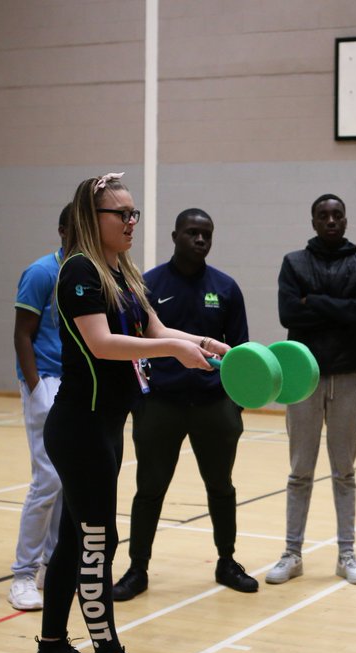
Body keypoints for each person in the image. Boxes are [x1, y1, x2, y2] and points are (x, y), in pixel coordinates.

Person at [33, 173, 229, 653]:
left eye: (134, 213)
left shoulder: (123, 269)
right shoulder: (80, 269)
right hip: (79, 427)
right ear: (90, 219)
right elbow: (100, 343)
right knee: (100, 540)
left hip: (106, 426)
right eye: (121, 214)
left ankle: (52, 647)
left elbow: (157, 332)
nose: (131, 222)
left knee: (76, 538)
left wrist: (207, 343)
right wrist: (173, 353)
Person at [113, 208, 258, 600]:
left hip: (215, 406)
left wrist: (234, 407)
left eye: (206, 234)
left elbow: (241, 353)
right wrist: (141, 403)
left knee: (221, 487)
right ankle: (137, 568)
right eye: (192, 233)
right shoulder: (147, 285)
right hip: (162, 406)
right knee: (150, 489)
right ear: (175, 235)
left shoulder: (226, 288)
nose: (200, 240)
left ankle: (227, 561)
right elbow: (134, 347)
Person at [266, 194, 356, 586]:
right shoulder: (293, 262)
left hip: (347, 375)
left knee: (344, 470)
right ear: (313, 221)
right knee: (300, 471)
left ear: (345, 220)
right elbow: (288, 313)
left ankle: (346, 554)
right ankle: (291, 553)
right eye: (323, 215)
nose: (331, 221)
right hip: (301, 376)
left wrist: (313, 300)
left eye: (337, 215)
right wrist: (342, 308)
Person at [8, 203, 72, 612]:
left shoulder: (91, 274)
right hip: (46, 381)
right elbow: (22, 333)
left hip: (79, 384)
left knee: (68, 481)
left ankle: (52, 565)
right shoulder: (41, 272)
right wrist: (35, 388)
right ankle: (22, 575)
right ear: (64, 229)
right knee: (47, 479)